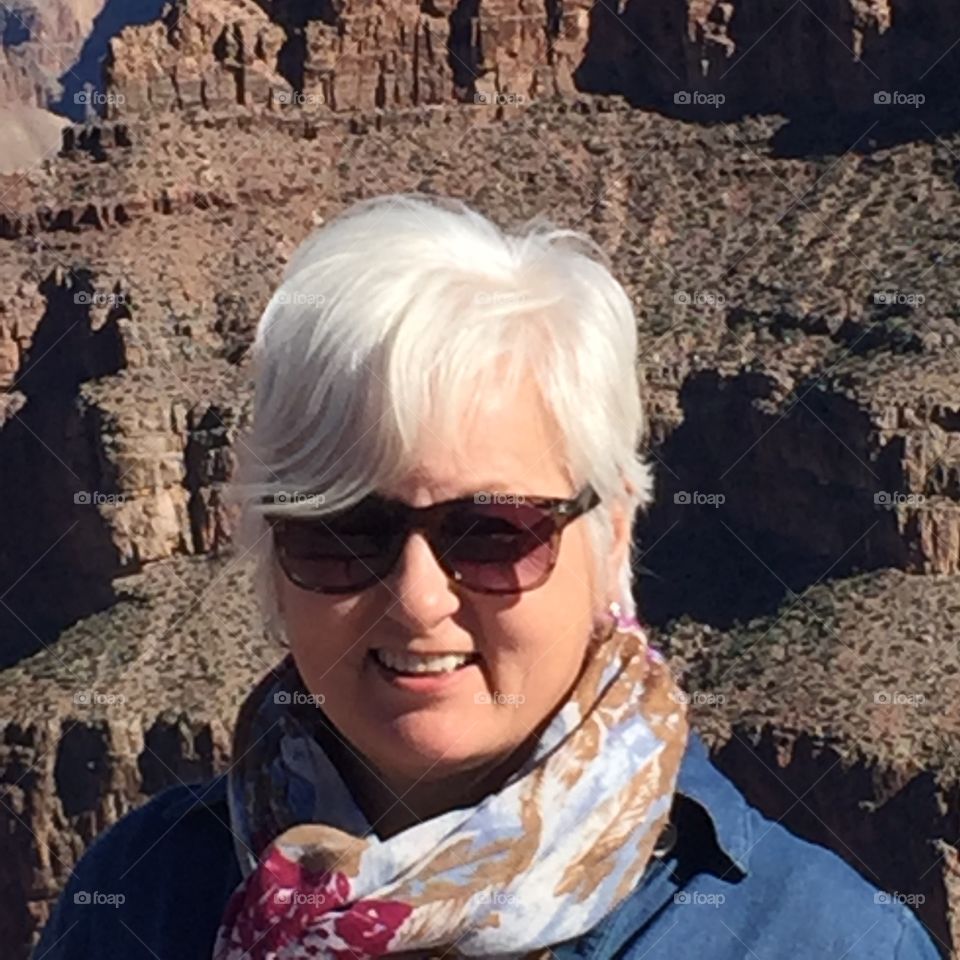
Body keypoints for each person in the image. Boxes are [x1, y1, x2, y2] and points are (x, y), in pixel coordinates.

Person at [32, 194, 941, 959]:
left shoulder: (818, 940)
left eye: (493, 531)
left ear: (612, 532)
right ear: (272, 555)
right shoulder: (143, 896)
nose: (418, 599)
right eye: (343, 532)